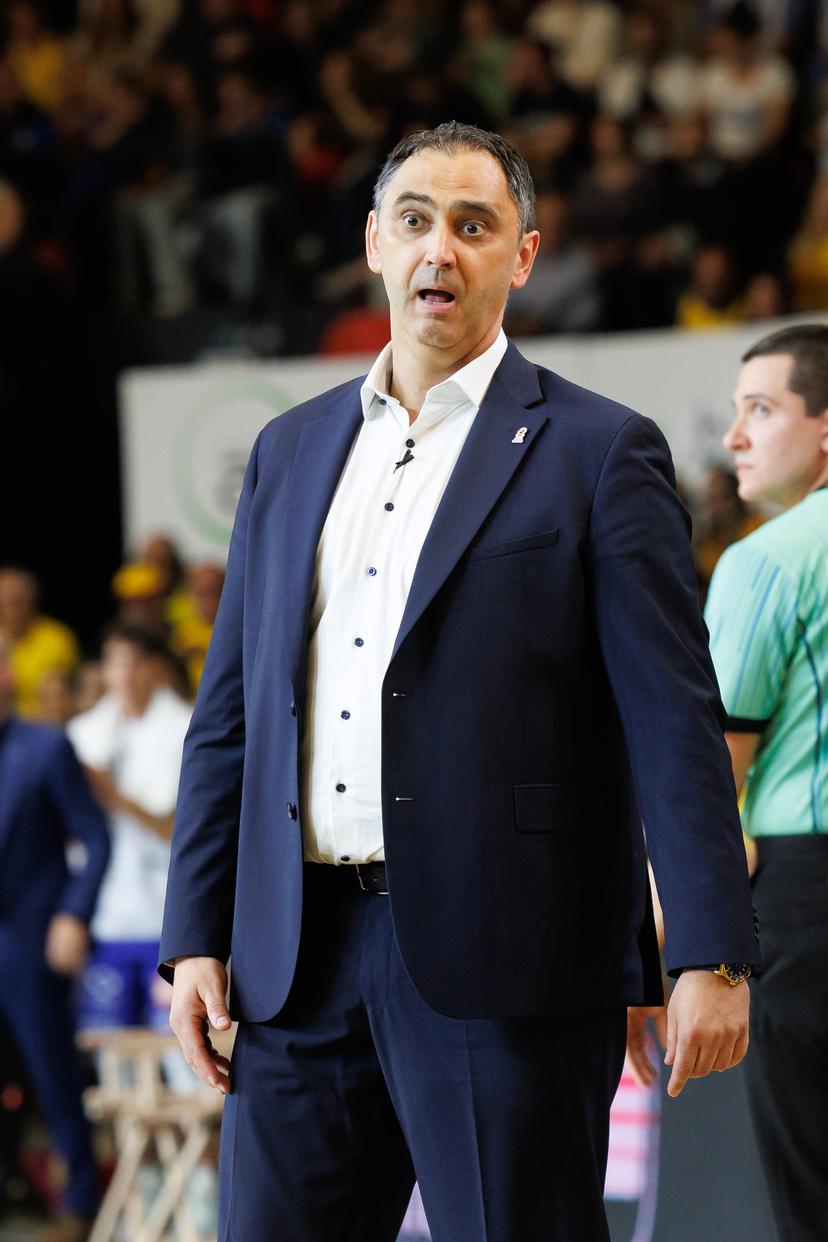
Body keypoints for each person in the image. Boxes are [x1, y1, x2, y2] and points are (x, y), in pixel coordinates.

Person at [159, 121, 760, 1242]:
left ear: (521, 257)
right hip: (294, 964)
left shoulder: (600, 450)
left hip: (514, 963)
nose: (444, 249)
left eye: (475, 226)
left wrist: (709, 950)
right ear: (376, 245)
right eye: (419, 222)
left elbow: (671, 722)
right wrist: (195, 932)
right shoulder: (288, 452)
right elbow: (232, 711)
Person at [703, 324, 828, 1242]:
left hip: (804, 897)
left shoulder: (769, 561)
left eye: (761, 410)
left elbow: (712, 781)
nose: (733, 437)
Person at [0, 631, 110, 1242]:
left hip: (32, 941)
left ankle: (82, 1204)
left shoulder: (44, 748)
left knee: (52, 1074)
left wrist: (74, 914)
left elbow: (97, 839)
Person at [67, 623, 191, 1032]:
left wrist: (113, 795)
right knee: (107, 1044)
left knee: (176, 1046)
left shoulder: (186, 729)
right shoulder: (83, 733)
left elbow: (178, 829)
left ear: (156, 667)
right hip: (106, 913)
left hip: (165, 912)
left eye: (133, 663)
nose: (123, 674)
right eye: (114, 663)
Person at [0, 567, 80, 720]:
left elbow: (69, 697)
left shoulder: (58, 639)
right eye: (3, 602)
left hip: (47, 725)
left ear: (31, 601)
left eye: (15, 602)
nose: (8, 610)